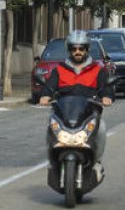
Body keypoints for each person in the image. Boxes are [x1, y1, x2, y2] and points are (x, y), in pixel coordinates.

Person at [38, 31, 115, 172]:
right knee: (50, 126)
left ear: (87, 49)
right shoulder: (59, 70)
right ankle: (52, 160)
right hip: (64, 114)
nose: (77, 52)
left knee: (102, 127)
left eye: (81, 48)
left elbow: (105, 88)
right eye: (74, 49)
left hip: (89, 114)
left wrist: (107, 97)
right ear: (69, 50)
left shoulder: (98, 70)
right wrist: (45, 96)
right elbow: (49, 87)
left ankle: (96, 161)